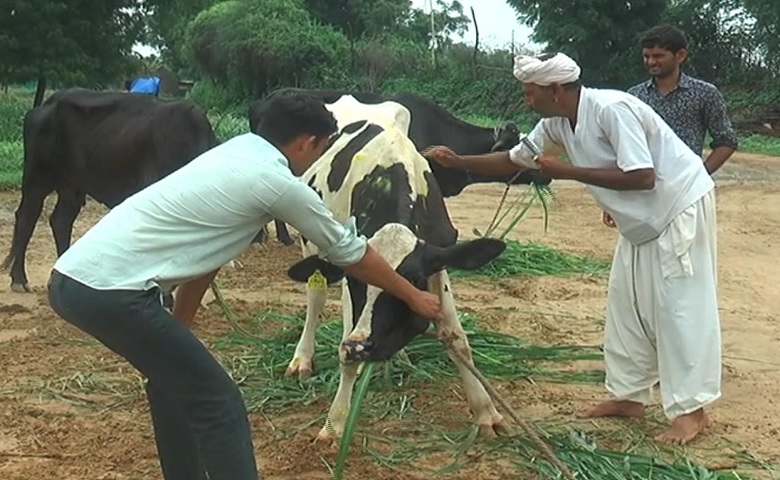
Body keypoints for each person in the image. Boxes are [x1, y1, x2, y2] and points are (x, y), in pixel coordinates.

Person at [46, 94, 444, 480]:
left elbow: (206, 257)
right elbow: (349, 252)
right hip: (113, 293)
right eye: (323, 147)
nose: (321, 157)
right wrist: (414, 296)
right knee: (219, 403)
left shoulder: (234, 153)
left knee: (173, 386)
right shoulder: (277, 183)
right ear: (307, 143)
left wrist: (180, 323)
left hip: (73, 279)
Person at [423, 52, 721, 445]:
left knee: (678, 307)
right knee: (626, 304)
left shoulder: (612, 109)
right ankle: (629, 397)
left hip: (677, 207)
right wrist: (458, 160)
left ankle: (691, 412)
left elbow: (644, 176)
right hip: (642, 220)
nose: (526, 100)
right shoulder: (556, 123)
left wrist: (568, 172)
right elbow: (516, 160)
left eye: (531, 93)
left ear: (557, 90)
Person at [627, 24, 738, 174]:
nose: (651, 62)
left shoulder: (704, 93)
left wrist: (700, 175)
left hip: (687, 190)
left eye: (658, 56)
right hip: (644, 188)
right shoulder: (634, 96)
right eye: (647, 56)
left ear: (680, 55)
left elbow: (727, 140)